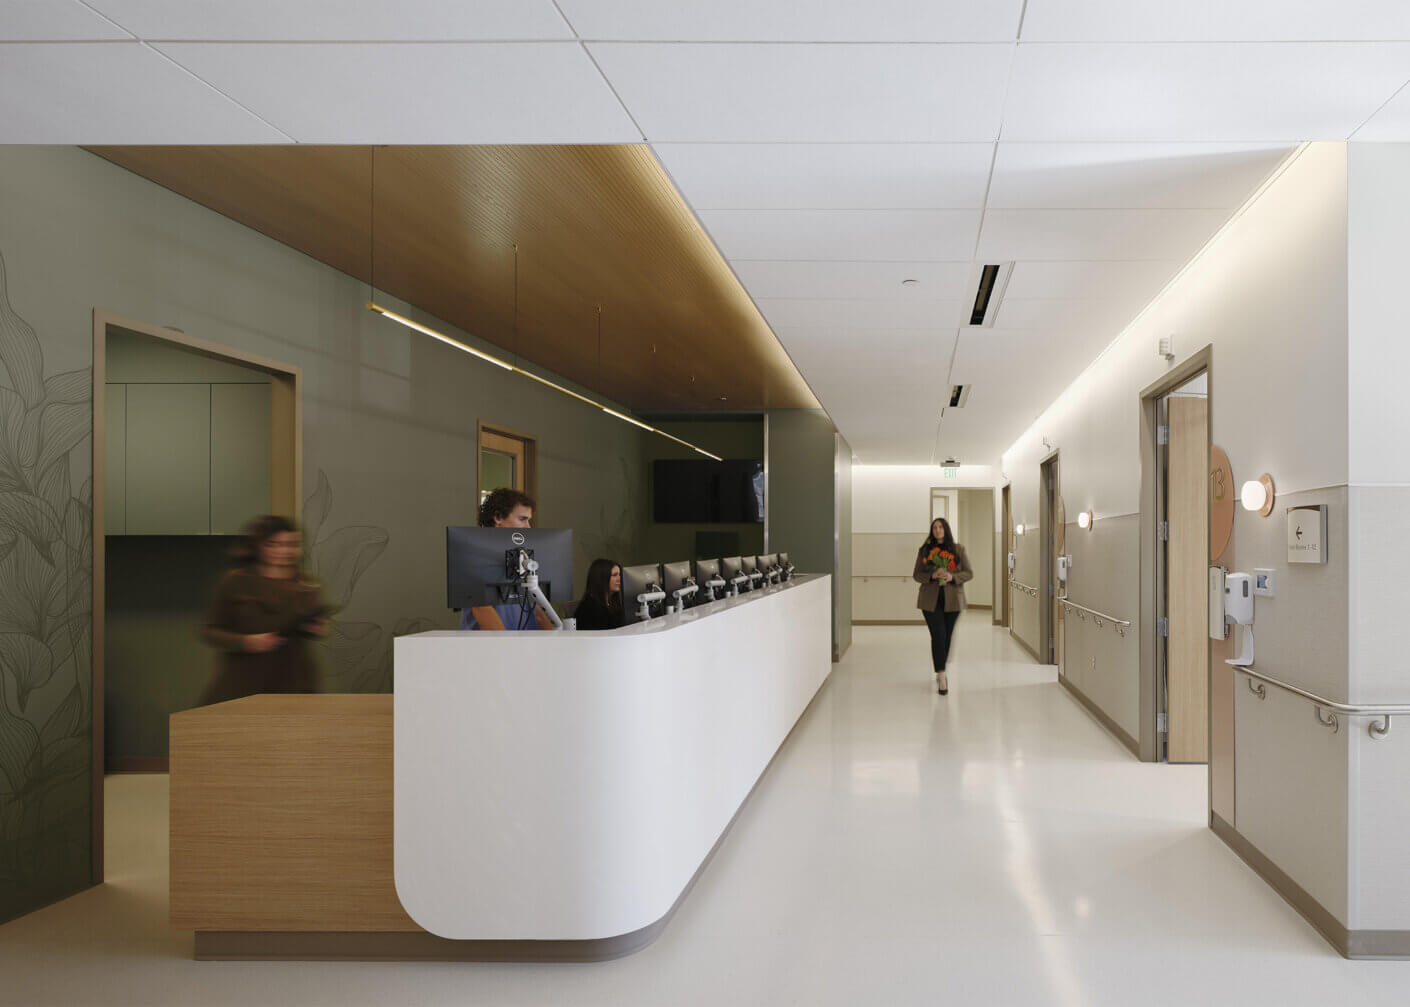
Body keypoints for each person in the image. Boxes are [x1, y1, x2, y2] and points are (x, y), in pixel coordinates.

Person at [200, 515, 328, 705]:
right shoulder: (235, 581)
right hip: (244, 680)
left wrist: (318, 628)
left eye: (291, 544)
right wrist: (245, 641)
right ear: (258, 545)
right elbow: (209, 631)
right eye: (274, 544)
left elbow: (316, 626)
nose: (284, 551)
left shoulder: (306, 583)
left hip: (293, 680)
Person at [461, 487, 556, 631]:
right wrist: (510, 649)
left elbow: (533, 606)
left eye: (529, 520)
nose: (528, 527)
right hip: (493, 649)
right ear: (498, 517)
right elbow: (482, 609)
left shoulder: (520, 557)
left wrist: (556, 638)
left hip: (523, 647)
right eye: (522, 519)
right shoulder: (477, 557)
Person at [912, 516, 973, 695]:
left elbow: (969, 573)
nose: (937, 530)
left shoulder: (958, 549)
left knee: (946, 637)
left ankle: (940, 667)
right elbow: (916, 574)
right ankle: (942, 675)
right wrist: (932, 575)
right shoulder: (925, 551)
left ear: (946, 529)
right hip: (930, 601)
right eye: (934, 527)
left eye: (940, 527)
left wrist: (952, 576)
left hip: (953, 600)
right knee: (938, 634)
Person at [574, 558, 624, 630]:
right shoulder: (588, 609)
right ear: (601, 578)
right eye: (615, 575)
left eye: (619, 574)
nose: (619, 579)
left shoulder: (613, 603)